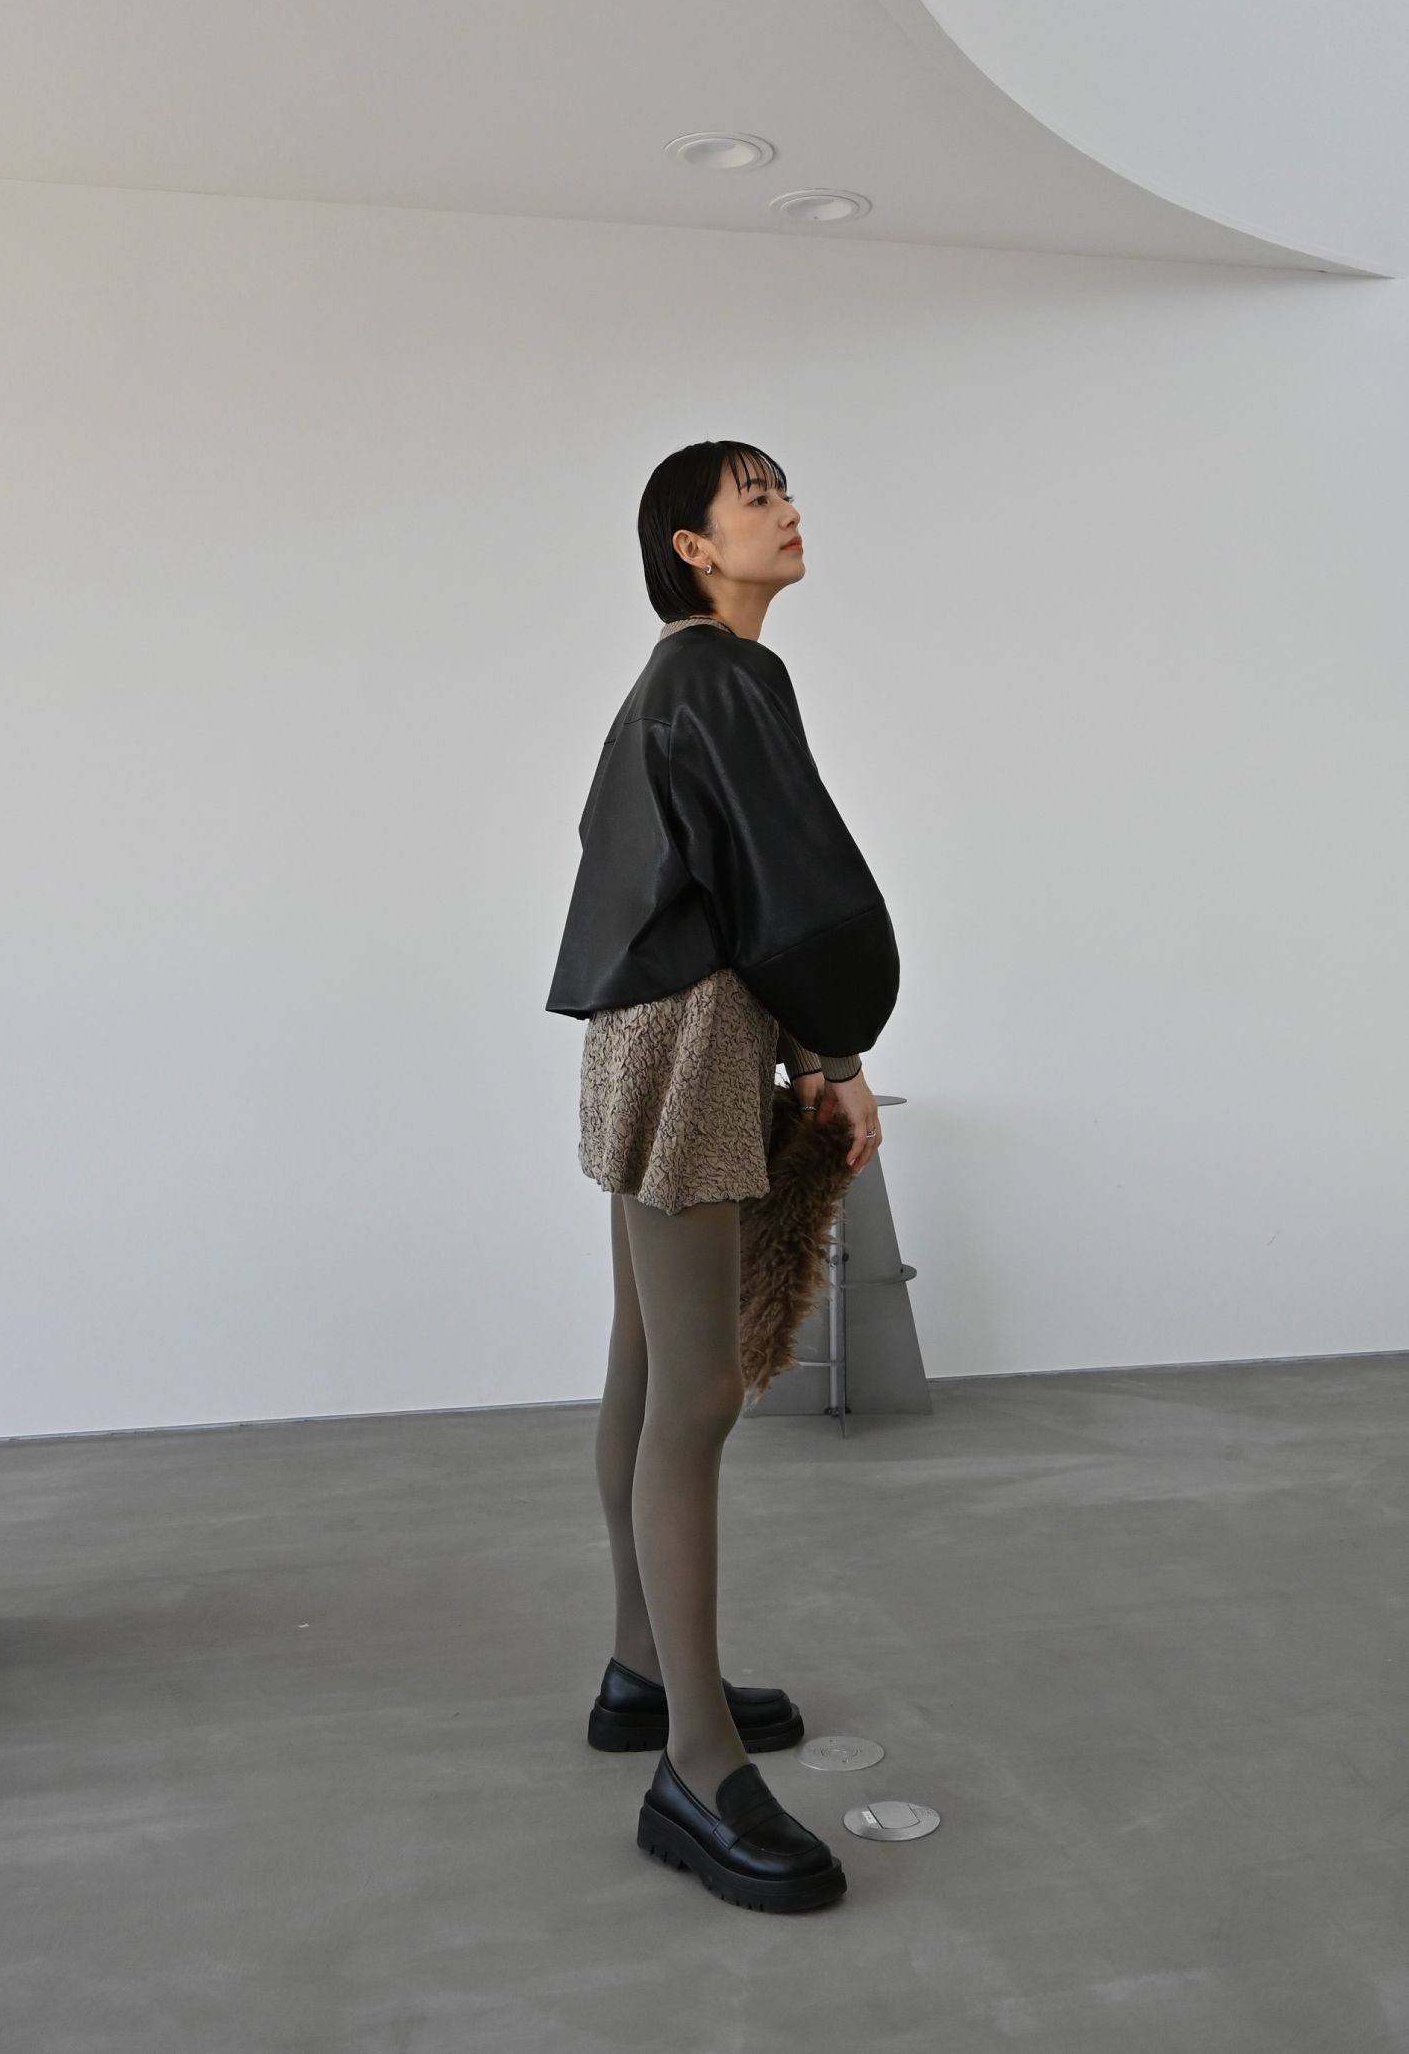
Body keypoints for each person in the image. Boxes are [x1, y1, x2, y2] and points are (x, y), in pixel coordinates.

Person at [547, 440, 898, 1911]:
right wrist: (837, 1051)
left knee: (647, 1364)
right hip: (693, 1038)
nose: (788, 512)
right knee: (692, 1400)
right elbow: (787, 883)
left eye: (785, 493)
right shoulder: (724, 676)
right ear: (693, 545)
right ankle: (695, 1766)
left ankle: (644, 1671)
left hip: (648, 1033)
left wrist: (807, 1044)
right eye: (758, 499)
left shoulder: (676, 679)